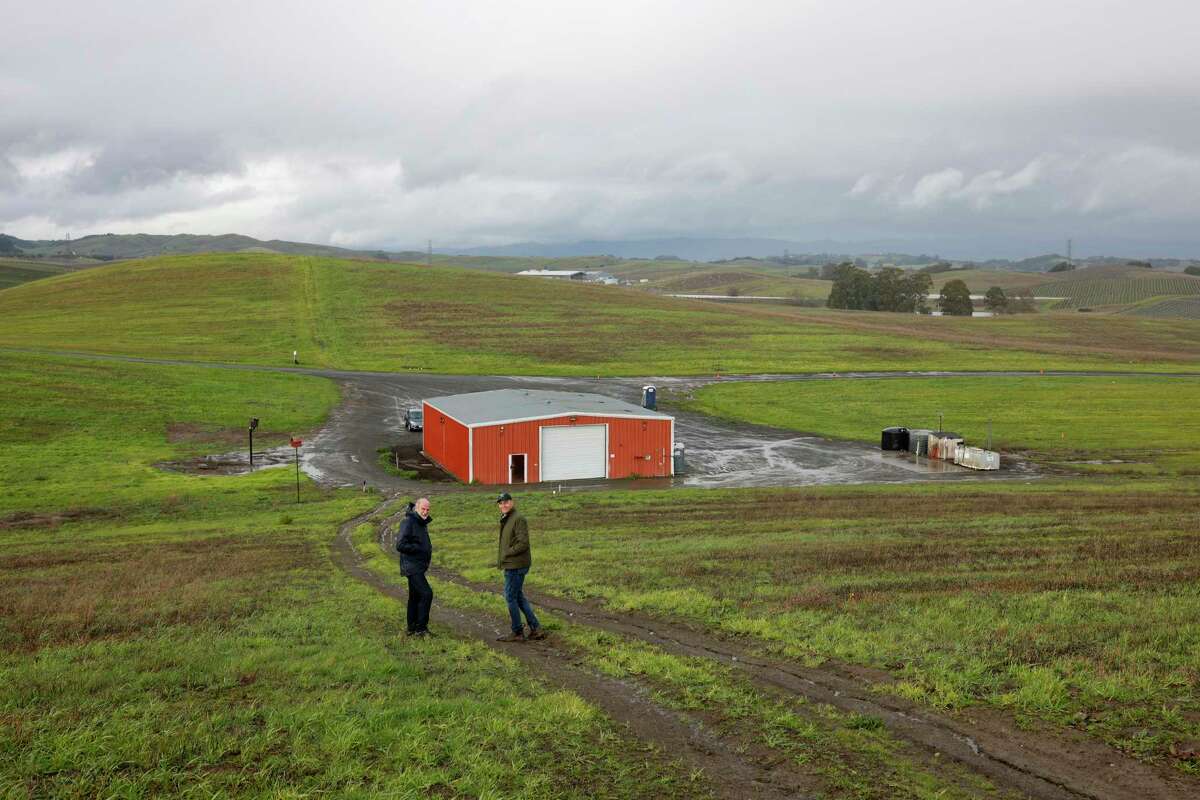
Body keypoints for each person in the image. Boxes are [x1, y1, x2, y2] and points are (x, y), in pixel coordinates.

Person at [495, 492, 545, 642]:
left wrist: (507, 554)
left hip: (516, 565)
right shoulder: (508, 518)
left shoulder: (518, 519)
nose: (503, 505)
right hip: (512, 564)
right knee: (518, 596)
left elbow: (523, 543)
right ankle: (535, 628)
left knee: (510, 597)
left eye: (506, 502)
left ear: (512, 502)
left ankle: (517, 631)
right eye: (501, 503)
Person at [395, 497, 433, 636]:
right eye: (423, 509)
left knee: (415, 596)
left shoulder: (421, 522)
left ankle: (412, 628)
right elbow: (400, 545)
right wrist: (417, 548)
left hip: (418, 565)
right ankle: (421, 628)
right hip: (411, 566)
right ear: (416, 508)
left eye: (427, 509)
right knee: (426, 593)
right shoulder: (408, 522)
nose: (425, 512)